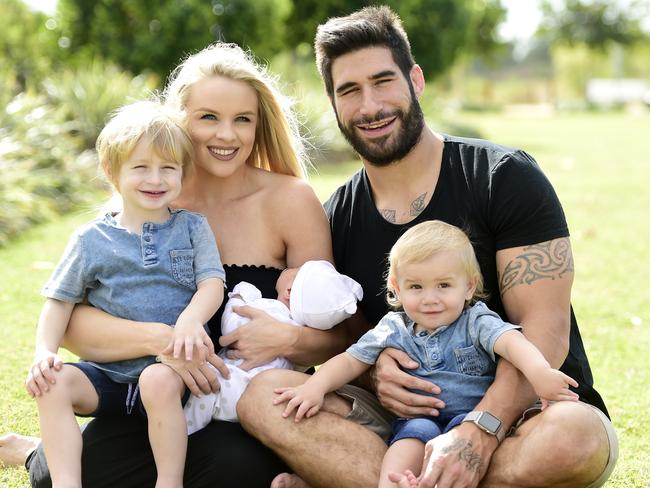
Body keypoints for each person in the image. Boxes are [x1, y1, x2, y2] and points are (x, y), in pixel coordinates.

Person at [238, 6, 618, 488]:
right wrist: (376, 378)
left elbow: (545, 333)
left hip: (524, 414)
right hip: (408, 425)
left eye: (383, 81)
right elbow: (353, 343)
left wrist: (480, 432)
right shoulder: (337, 215)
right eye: (349, 90)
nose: (370, 106)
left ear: (415, 80)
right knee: (263, 397)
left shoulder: (503, 177)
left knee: (575, 436)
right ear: (333, 103)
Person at [0, 43, 338, 487]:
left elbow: (335, 330)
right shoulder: (150, 196)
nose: (227, 135)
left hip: (242, 401)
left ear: (259, 125)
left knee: (236, 470)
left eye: (243, 120)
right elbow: (72, 322)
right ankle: (31, 452)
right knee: (64, 475)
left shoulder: (290, 199)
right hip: (153, 391)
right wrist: (163, 341)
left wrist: (291, 337)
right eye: (208, 118)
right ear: (179, 122)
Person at [273, 220, 580, 487]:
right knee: (409, 440)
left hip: (470, 419)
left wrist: (540, 374)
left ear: (469, 287)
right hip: (419, 418)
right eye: (416, 287)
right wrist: (315, 386)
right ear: (396, 287)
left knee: (463, 453)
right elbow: (351, 359)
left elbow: (514, 344)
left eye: (444, 285)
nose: (430, 299)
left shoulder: (476, 321)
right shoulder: (394, 327)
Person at [26, 99, 226, 488]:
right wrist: (44, 353)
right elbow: (59, 301)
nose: (156, 179)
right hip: (105, 376)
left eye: (168, 168)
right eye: (141, 168)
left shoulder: (191, 228)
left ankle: (169, 482)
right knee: (52, 384)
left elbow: (211, 283)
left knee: (156, 381)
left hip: (167, 375)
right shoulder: (91, 239)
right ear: (111, 171)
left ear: (182, 173)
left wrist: (189, 320)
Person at [185, 260, 362, 431]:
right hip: (259, 400)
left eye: (297, 269)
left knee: (197, 401)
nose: (290, 268)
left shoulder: (270, 308)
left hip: (232, 382)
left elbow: (231, 328)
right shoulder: (301, 332)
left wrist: (239, 295)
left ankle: (181, 434)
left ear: (289, 291)